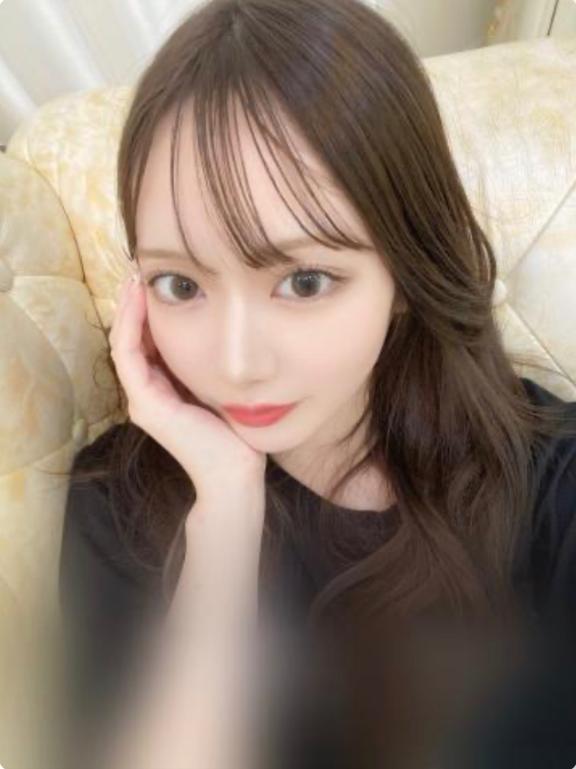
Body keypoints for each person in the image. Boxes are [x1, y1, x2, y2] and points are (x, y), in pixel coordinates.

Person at [57, 0, 576, 767]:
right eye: (180, 284)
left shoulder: (551, 485)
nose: (236, 363)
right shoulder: (117, 504)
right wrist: (224, 517)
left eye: (304, 281)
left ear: (406, 271)